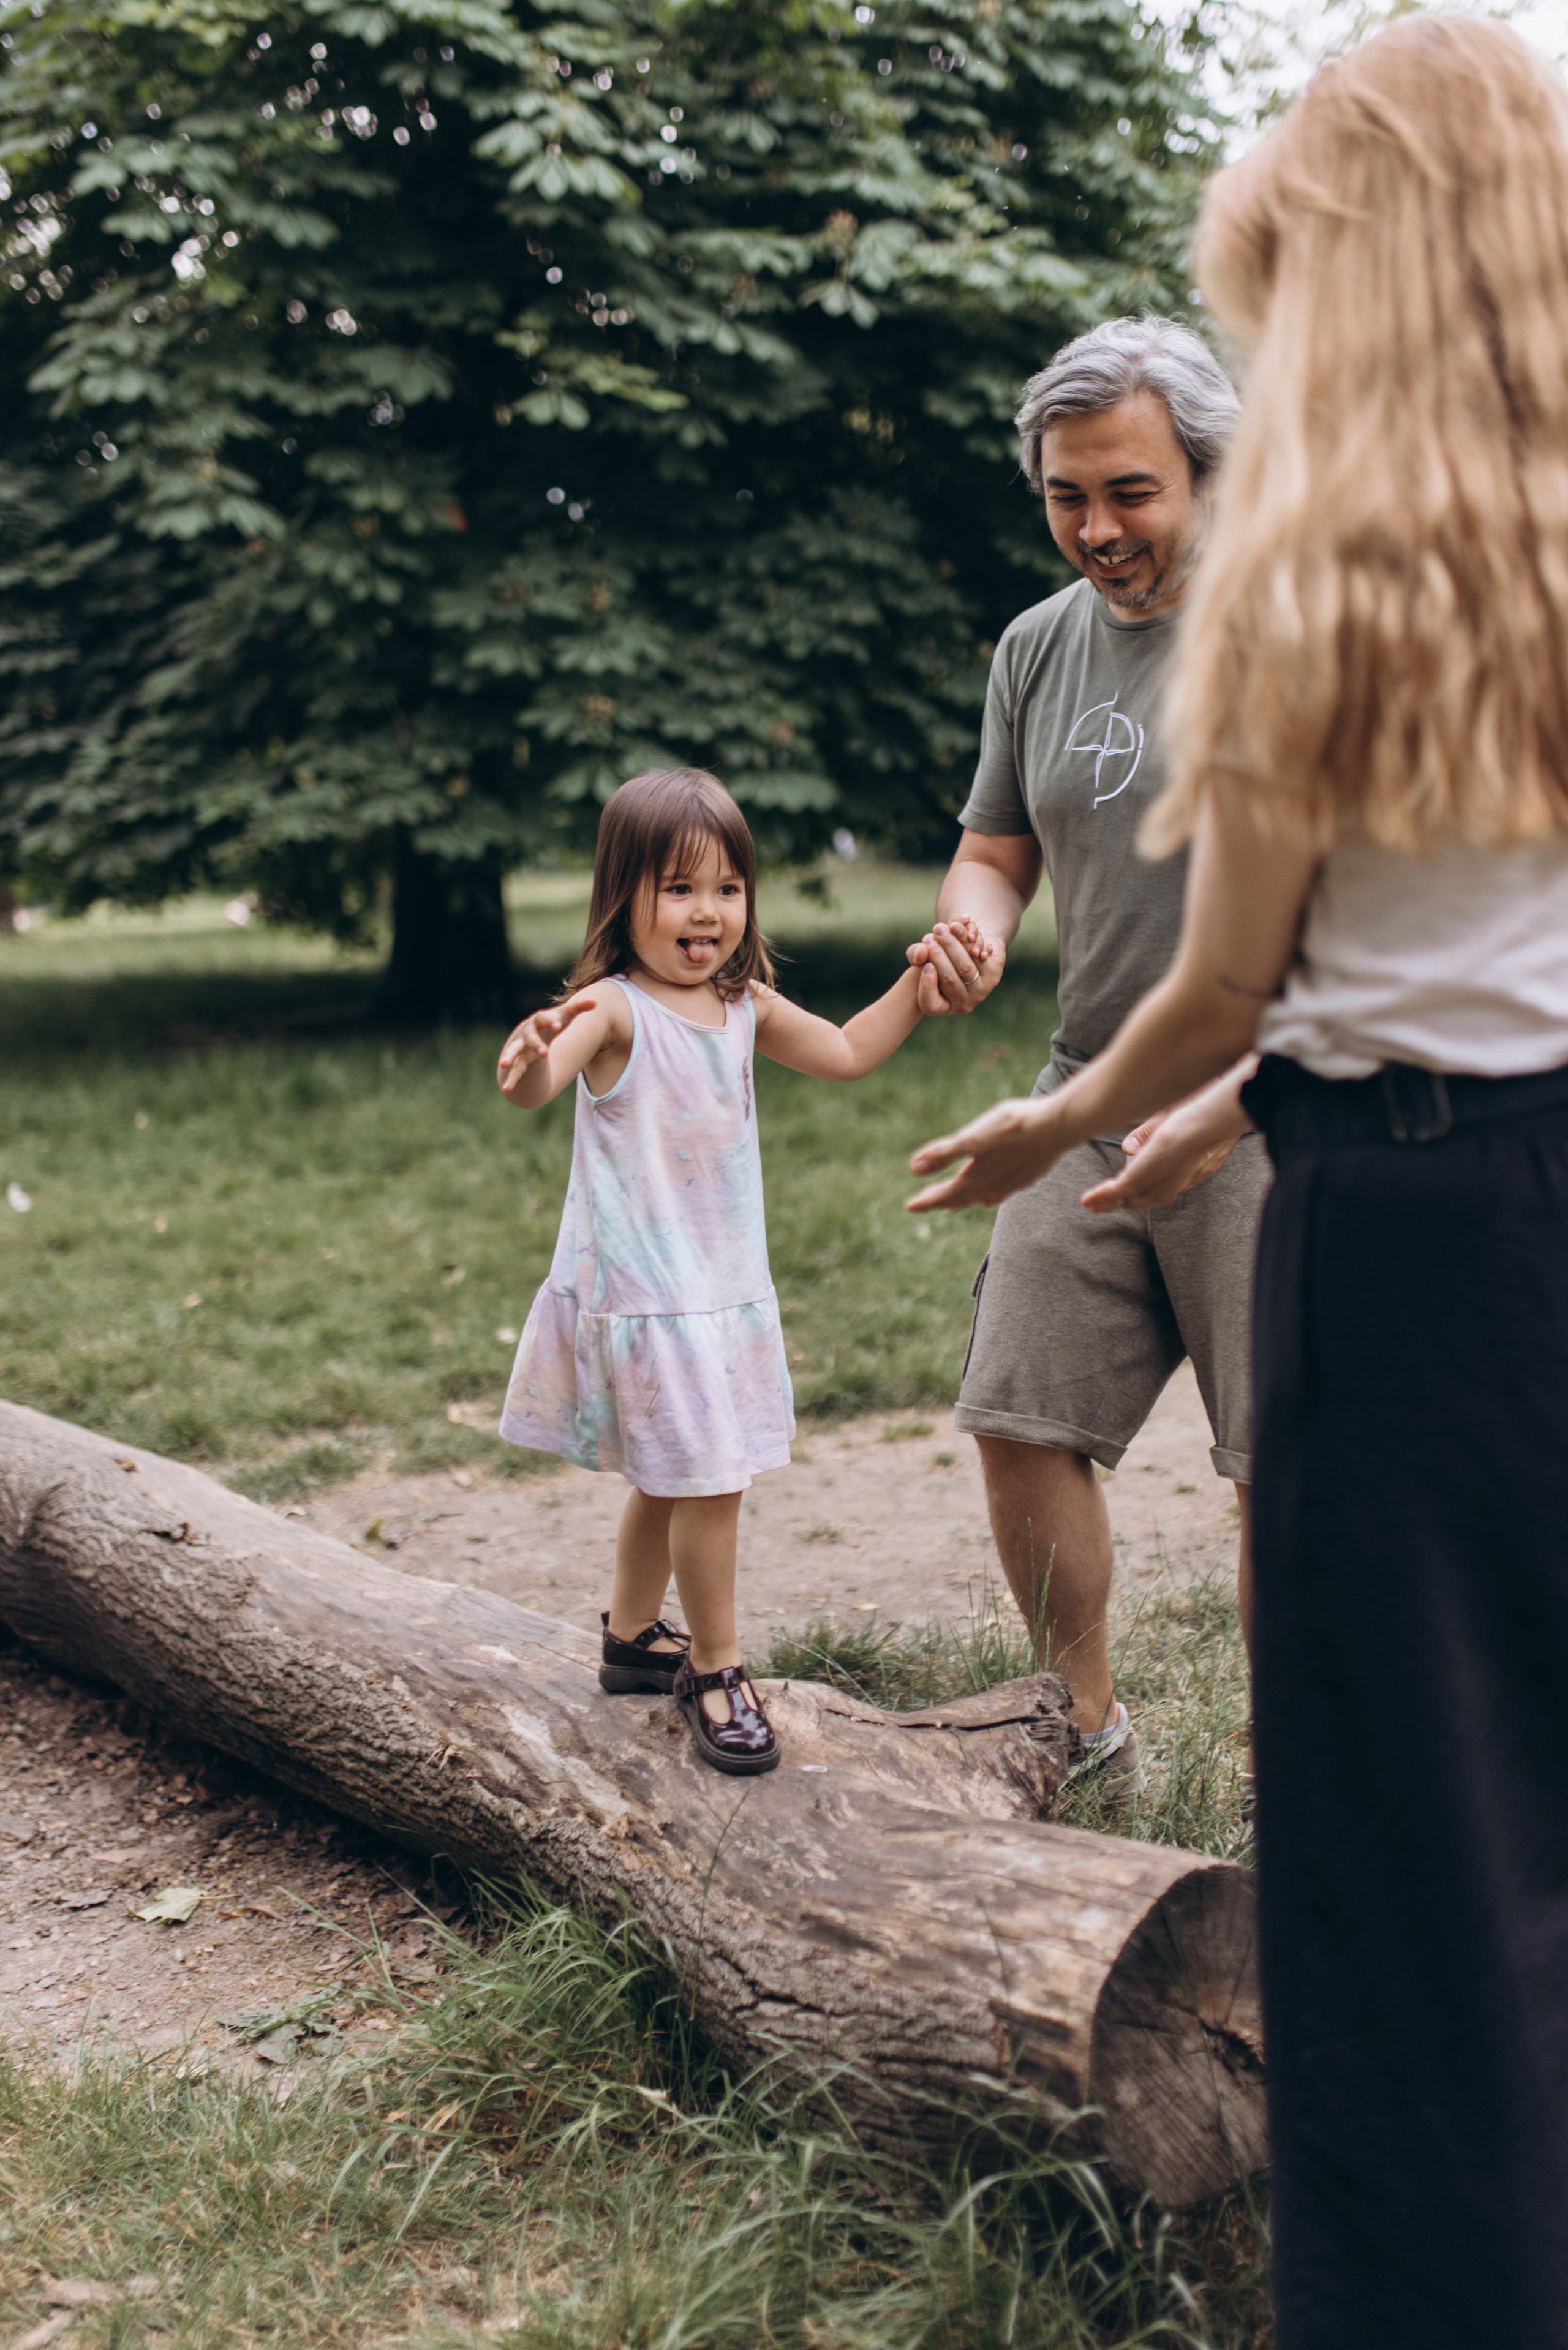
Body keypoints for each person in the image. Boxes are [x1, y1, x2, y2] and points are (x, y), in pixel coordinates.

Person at [908, 18, 1568, 2344]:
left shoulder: (1313, 569)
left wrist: (1080, 1110)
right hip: (1486, 1157)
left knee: (1404, 1830)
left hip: (1398, 1202)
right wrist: (1178, 1110)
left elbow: (1237, 979)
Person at [907, 316, 1265, 1774]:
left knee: (1282, 1471)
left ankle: (1291, 1756)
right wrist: (973, 925)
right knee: (1016, 1409)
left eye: (1128, 491)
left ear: (1206, 475)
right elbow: (993, 848)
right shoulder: (1034, 648)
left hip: (1269, 1102)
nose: (1095, 528)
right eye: (1066, 494)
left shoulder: (1287, 621)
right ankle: (1086, 1724)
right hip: (1081, 1090)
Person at [494, 766, 956, 1777]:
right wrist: (528, 1054)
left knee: (674, 1478)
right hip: (656, 1301)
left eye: (728, 888)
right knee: (711, 1479)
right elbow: (542, 1083)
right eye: (678, 888)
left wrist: (915, 991)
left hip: (718, 1291)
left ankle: (628, 1637)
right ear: (626, 898)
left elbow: (842, 1050)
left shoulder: (741, 1004)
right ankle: (715, 1668)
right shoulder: (613, 1009)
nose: (708, 912)